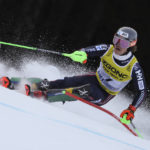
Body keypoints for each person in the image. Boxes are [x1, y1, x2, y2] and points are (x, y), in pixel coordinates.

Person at [0, 26, 147, 123]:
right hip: (94, 79)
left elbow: (141, 91)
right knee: (61, 83)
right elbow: (86, 50)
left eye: (123, 43)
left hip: (104, 93)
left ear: (132, 44)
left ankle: (42, 95)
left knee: (76, 92)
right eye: (116, 40)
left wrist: (131, 109)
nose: (118, 45)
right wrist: (80, 54)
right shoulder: (107, 49)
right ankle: (16, 82)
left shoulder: (134, 67)